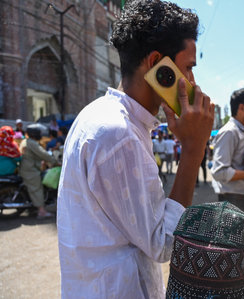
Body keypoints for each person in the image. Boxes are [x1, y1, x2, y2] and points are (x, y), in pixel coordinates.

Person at [57, 1, 214, 298]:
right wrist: (193, 151)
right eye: (189, 68)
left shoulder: (105, 117)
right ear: (158, 64)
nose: (192, 82)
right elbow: (163, 243)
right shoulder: (119, 134)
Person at [211, 87, 244, 217]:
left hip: (240, 201)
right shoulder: (230, 132)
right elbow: (219, 172)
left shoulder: (241, 132)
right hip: (233, 202)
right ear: (241, 108)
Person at [19, 126, 57, 219]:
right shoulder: (31, 143)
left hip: (26, 168)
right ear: (34, 134)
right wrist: (55, 162)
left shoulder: (25, 141)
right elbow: (42, 154)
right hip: (30, 171)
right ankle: (41, 211)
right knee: (37, 189)